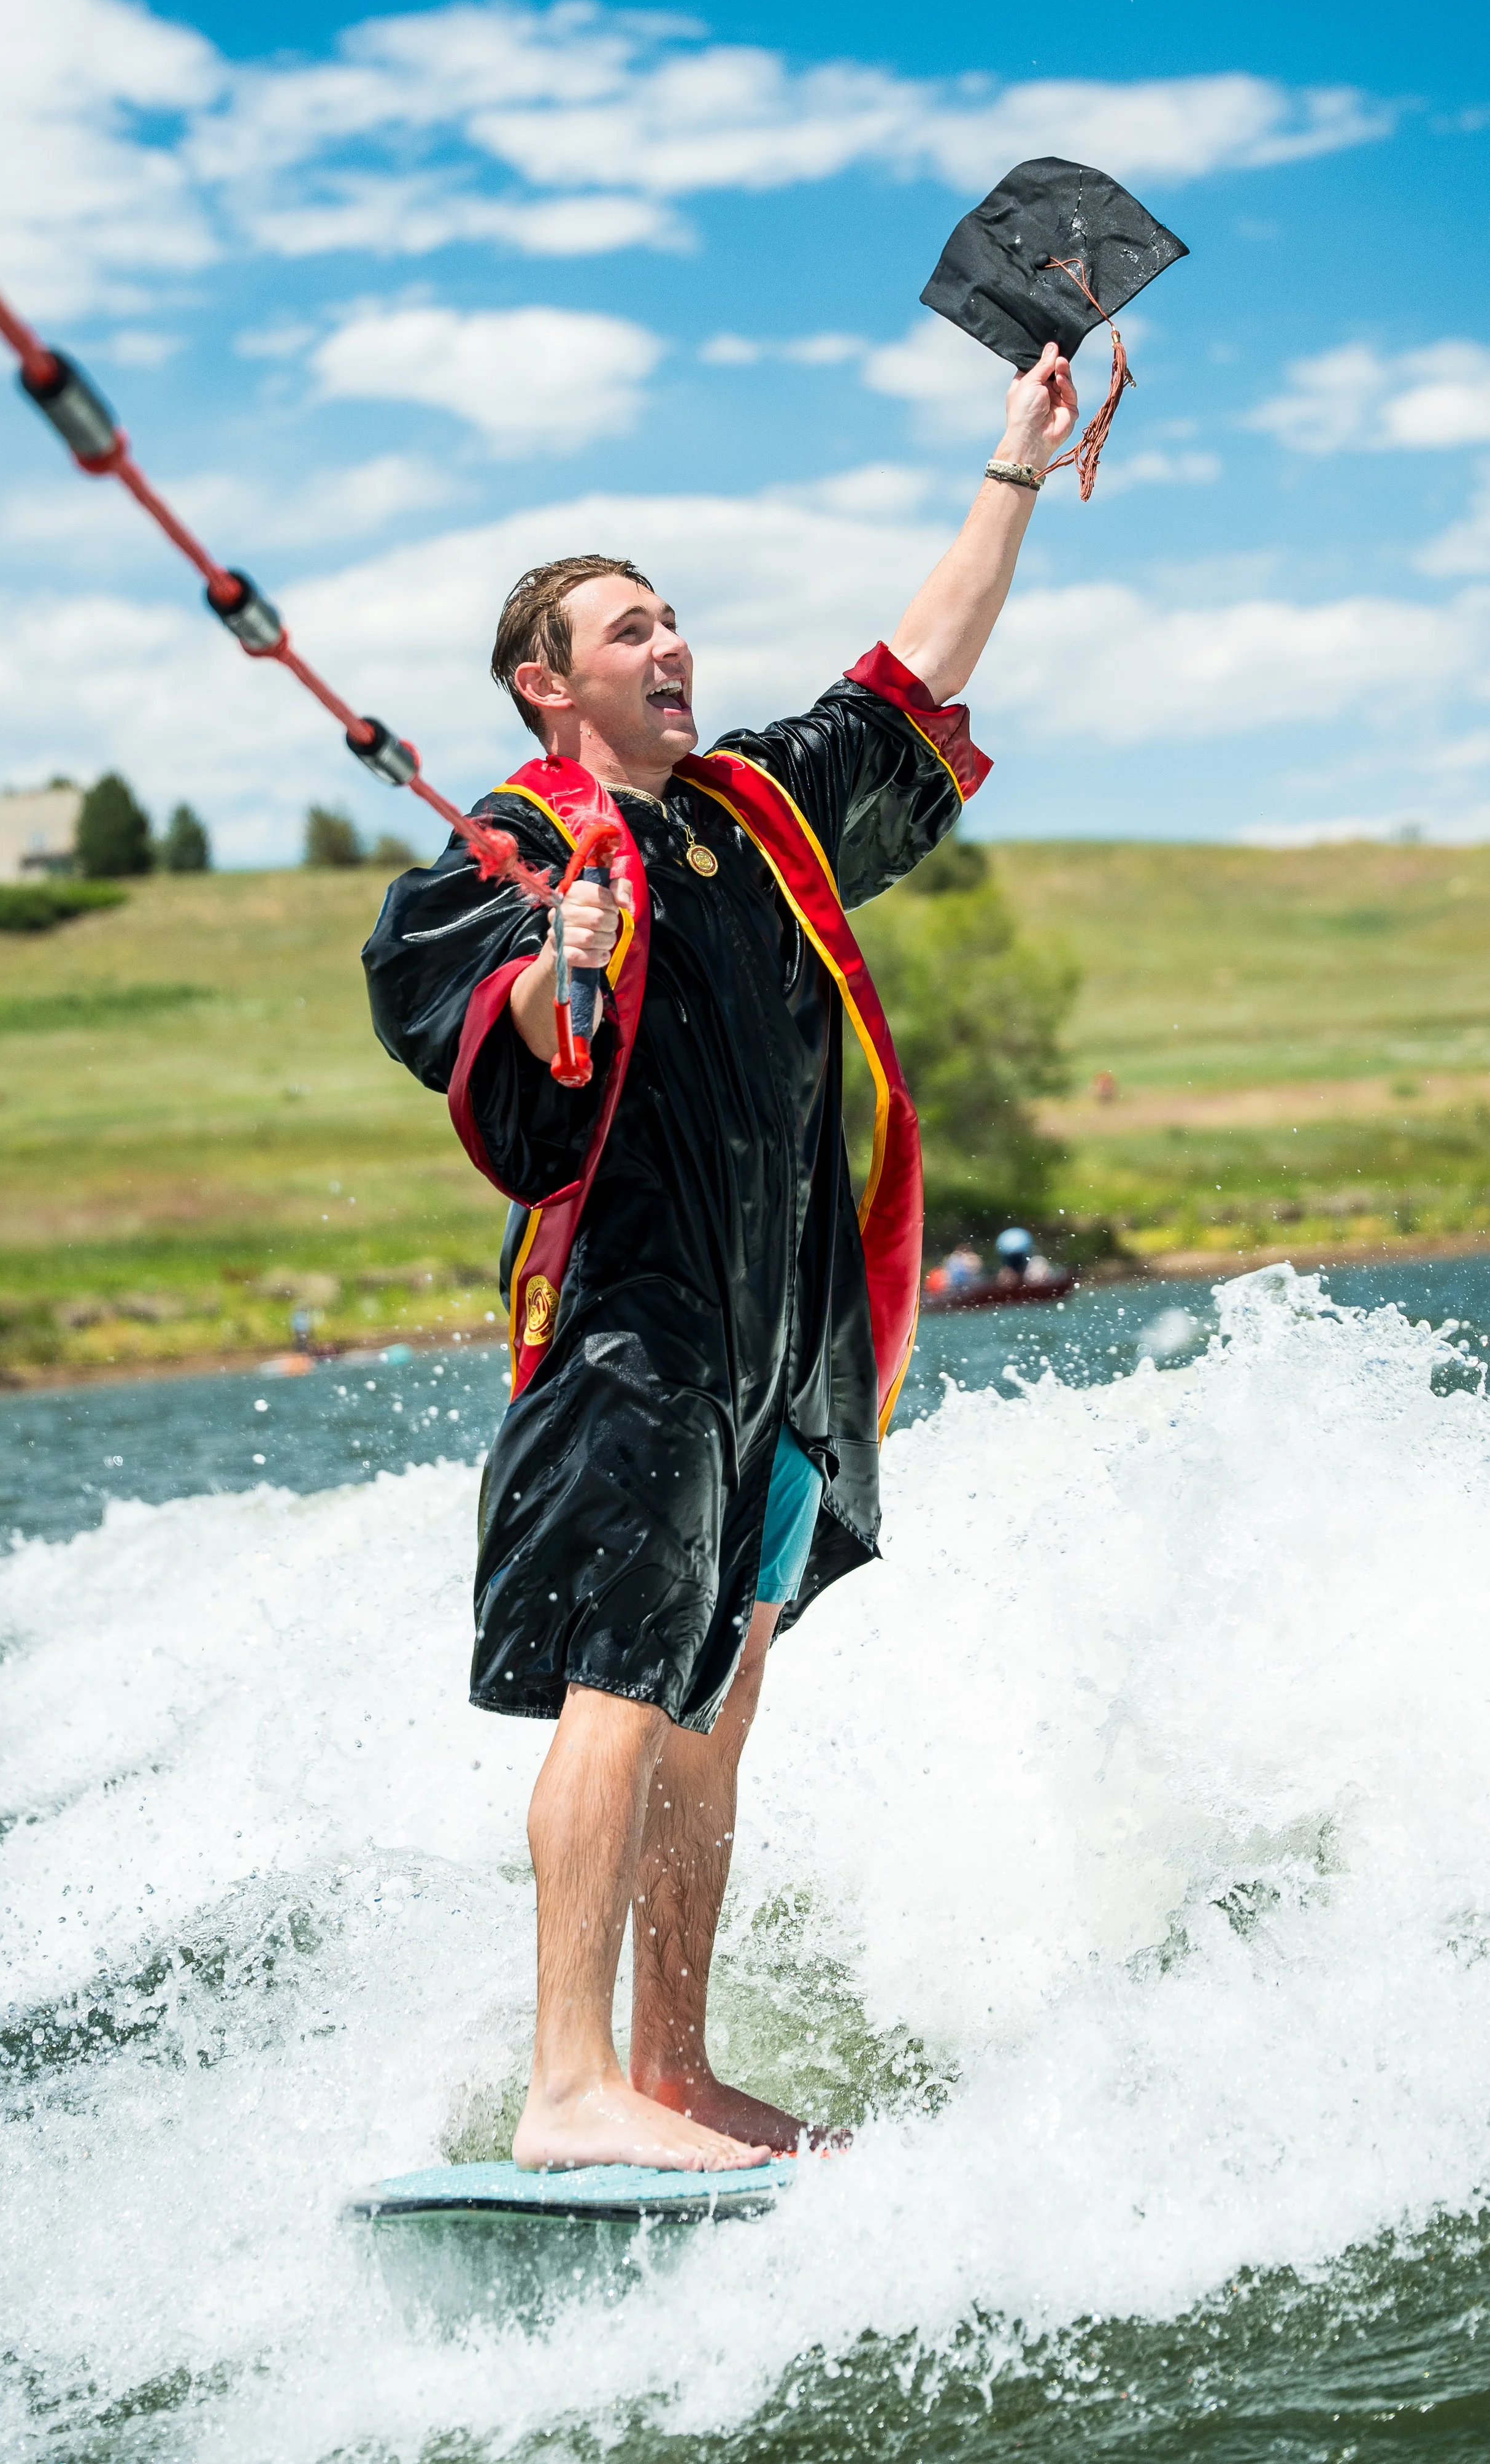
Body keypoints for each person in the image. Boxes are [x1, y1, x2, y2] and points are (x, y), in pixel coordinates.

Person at [364, 342, 1078, 2175]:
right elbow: (469, 1005)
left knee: (716, 1688)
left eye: (674, 619)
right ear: (548, 684)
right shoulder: (512, 847)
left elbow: (912, 675)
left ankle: (670, 2066)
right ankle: (563, 2079)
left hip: (779, 1345)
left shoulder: (755, 817)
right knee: (625, 1668)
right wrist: (561, 965)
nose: (670, 645)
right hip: (628, 1334)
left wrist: (1012, 462)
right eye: (627, 630)